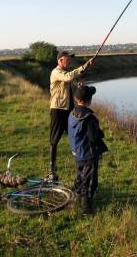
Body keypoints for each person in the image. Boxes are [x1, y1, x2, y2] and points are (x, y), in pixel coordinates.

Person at [49, 51, 93, 180]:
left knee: (76, 136)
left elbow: (72, 86)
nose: (69, 61)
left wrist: (79, 84)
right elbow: (68, 77)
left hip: (69, 109)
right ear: (60, 61)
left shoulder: (66, 73)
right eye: (66, 60)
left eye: (69, 60)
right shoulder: (56, 72)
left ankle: (81, 162)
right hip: (57, 109)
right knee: (54, 140)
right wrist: (83, 67)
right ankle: (52, 167)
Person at [68, 85, 108, 214]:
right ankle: (87, 209)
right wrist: (101, 134)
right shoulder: (89, 118)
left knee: (80, 176)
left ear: (76, 99)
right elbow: (93, 136)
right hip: (88, 154)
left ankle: (77, 199)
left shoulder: (72, 113)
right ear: (89, 100)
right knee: (90, 181)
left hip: (77, 152)